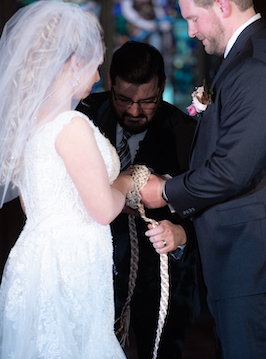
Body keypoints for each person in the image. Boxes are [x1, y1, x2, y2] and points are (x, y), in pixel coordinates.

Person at [139, 0, 266, 358]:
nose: (190, 31)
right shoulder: (248, 55)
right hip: (249, 260)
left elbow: (232, 170)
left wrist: (167, 191)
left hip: (258, 261)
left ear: (221, 5)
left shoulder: (256, 65)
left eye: (193, 18)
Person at [0, 1, 130, 359]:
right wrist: (129, 182)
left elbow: (33, 203)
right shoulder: (71, 126)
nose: (98, 78)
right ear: (73, 64)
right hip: (71, 262)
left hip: (35, 257)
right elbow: (102, 210)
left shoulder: (28, 126)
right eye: (95, 67)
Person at [77, 41, 199, 359]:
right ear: (109, 83)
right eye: (124, 99)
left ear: (162, 87)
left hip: (160, 277)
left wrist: (183, 233)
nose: (134, 111)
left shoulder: (186, 132)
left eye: (147, 101)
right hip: (91, 271)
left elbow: (208, 202)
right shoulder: (82, 118)